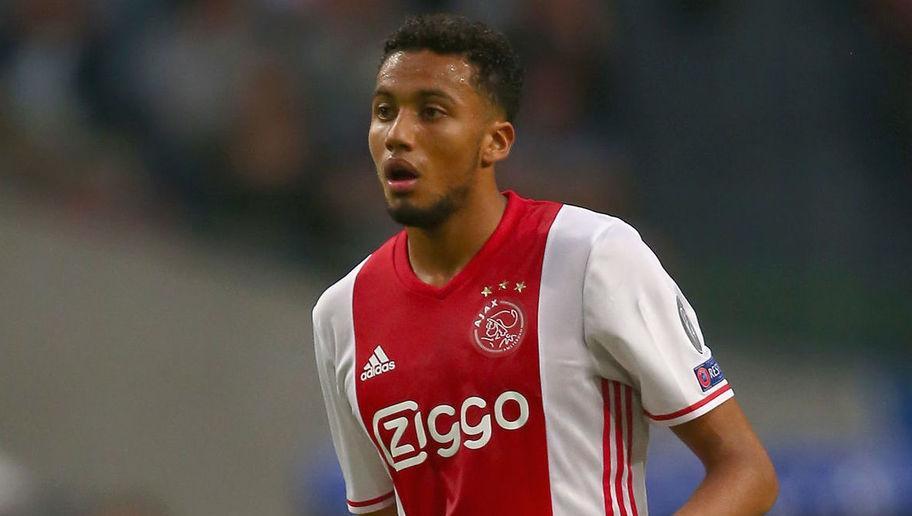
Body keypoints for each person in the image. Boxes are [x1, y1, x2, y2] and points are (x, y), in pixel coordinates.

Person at [313, 13, 778, 516]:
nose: (397, 135)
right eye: (384, 111)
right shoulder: (341, 315)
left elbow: (745, 470)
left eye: (431, 111)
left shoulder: (592, 255)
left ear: (497, 140)